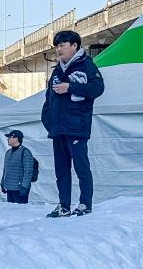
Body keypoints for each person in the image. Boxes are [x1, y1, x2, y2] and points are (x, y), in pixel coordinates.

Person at [41, 29, 105, 218]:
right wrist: (48, 119)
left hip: (77, 127)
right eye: (57, 46)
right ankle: (64, 206)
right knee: (61, 170)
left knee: (81, 167)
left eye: (62, 45)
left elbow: (98, 88)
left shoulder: (86, 65)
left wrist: (71, 87)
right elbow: (48, 98)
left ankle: (85, 203)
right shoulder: (56, 70)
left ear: (74, 45)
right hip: (58, 128)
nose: (58, 50)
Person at [1, 129, 36, 204]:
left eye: (10, 137)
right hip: (9, 188)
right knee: (10, 212)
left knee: (20, 213)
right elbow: (5, 169)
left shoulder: (25, 152)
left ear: (16, 139)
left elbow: (28, 171)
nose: (8, 139)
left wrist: (25, 187)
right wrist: (3, 183)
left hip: (20, 189)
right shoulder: (8, 152)